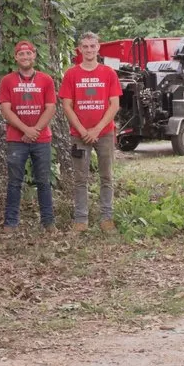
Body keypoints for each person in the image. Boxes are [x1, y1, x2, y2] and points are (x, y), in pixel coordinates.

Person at [59, 32, 122, 233]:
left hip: (104, 134)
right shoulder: (71, 74)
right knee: (80, 178)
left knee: (106, 177)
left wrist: (96, 129)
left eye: (92, 46)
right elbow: (67, 106)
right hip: (79, 135)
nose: (88, 50)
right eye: (85, 46)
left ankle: (107, 218)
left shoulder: (109, 73)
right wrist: (82, 130)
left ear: (98, 48)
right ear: (79, 49)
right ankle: (81, 219)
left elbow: (114, 105)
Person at [0, 40, 56, 230]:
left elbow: (50, 108)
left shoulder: (46, 80)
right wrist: (25, 130)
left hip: (42, 139)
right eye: (21, 54)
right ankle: (11, 222)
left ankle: (48, 222)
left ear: (34, 56)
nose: (25, 57)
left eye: (28, 53)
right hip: (16, 140)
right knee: (14, 182)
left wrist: (35, 131)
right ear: (16, 57)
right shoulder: (7, 81)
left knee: (44, 181)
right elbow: (6, 110)